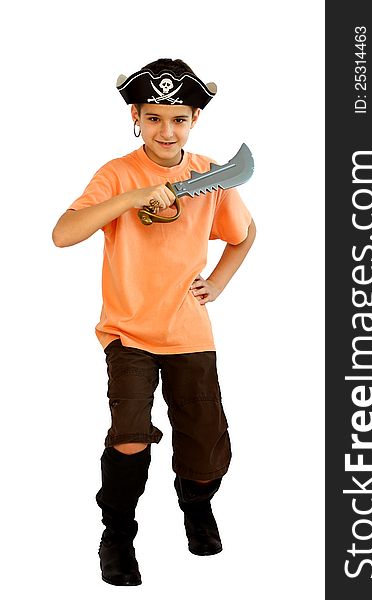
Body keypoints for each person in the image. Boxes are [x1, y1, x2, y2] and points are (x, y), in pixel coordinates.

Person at [52, 57, 256, 587]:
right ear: (136, 119)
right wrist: (132, 197)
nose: (167, 130)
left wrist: (219, 282)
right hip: (129, 331)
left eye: (179, 119)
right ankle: (116, 535)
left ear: (194, 120)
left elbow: (243, 235)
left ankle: (197, 506)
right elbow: (63, 233)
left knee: (204, 438)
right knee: (129, 435)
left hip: (189, 330)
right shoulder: (116, 173)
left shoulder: (210, 176)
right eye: (154, 118)